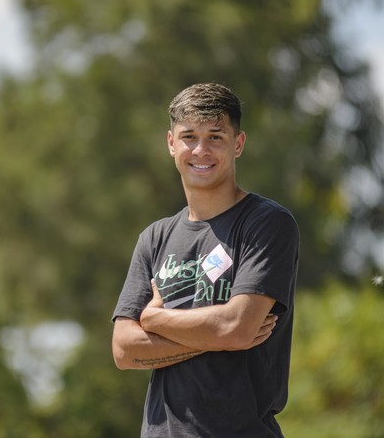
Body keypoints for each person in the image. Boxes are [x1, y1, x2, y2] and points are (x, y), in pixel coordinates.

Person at [111, 82, 299, 437]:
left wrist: (155, 319)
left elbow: (239, 326)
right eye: (189, 136)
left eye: (216, 136)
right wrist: (220, 335)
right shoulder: (154, 238)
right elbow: (124, 349)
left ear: (238, 144)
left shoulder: (267, 224)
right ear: (170, 143)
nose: (201, 150)